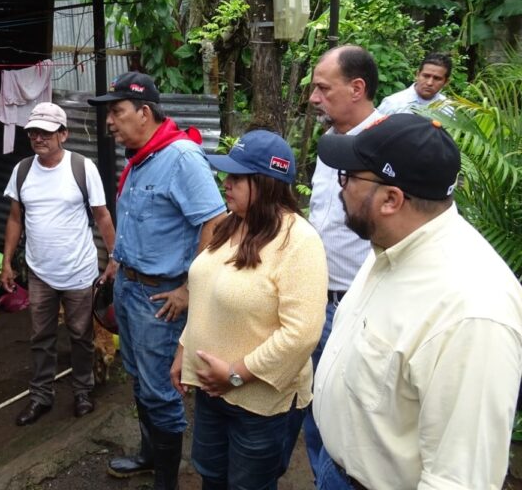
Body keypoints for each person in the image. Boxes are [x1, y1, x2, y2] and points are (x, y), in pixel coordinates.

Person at [313, 114, 522, 490]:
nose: (340, 188)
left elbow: (459, 479)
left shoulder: (472, 311)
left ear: (391, 199)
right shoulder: (393, 245)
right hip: (337, 470)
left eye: (348, 177)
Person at [88, 72, 226, 490]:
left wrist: (190, 288)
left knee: (160, 389)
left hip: (159, 296)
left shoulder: (181, 157)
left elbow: (215, 222)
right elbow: (136, 222)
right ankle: (150, 455)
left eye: (117, 111)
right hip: (130, 286)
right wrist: (117, 262)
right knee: (138, 377)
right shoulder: (143, 155)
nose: (109, 122)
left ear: (143, 112)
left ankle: (166, 481)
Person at [170, 129, 327, 490]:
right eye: (227, 174)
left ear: (267, 183)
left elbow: (301, 334)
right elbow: (205, 294)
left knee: (248, 485)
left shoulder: (299, 241)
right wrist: (184, 350)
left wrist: (237, 374)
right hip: (213, 389)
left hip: (260, 401)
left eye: (239, 177)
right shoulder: (229, 224)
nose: (227, 183)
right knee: (212, 476)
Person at [0, 102, 117, 426]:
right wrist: (8, 262)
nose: (38, 138)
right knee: (41, 336)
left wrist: (114, 257)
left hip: (79, 271)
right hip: (39, 273)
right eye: (33, 132)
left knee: (80, 335)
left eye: (46, 132)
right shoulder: (23, 170)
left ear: (63, 134)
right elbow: (15, 218)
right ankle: (40, 397)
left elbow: (102, 215)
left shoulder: (81, 168)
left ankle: (82, 391)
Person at [303, 44, 384, 475]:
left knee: (352, 419)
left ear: (357, 88)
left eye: (322, 88)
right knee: (315, 409)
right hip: (317, 300)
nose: (314, 97)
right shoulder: (330, 142)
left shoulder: (389, 145)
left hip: (360, 308)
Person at [377, 52, 452, 115]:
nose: (429, 83)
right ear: (417, 75)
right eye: (426, 76)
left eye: (437, 78)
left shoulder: (448, 108)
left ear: (446, 82)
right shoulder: (393, 104)